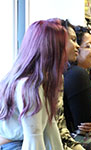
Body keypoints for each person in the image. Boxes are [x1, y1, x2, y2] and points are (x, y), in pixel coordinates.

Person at [0, 19, 66, 150]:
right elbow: (33, 138)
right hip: (15, 145)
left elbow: (49, 128)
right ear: (52, 50)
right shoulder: (29, 85)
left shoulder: (44, 80)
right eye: (62, 46)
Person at [55, 19, 84, 150]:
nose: (77, 46)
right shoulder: (36, 82)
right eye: (73, 40)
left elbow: (61, 129)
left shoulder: (58, 77)